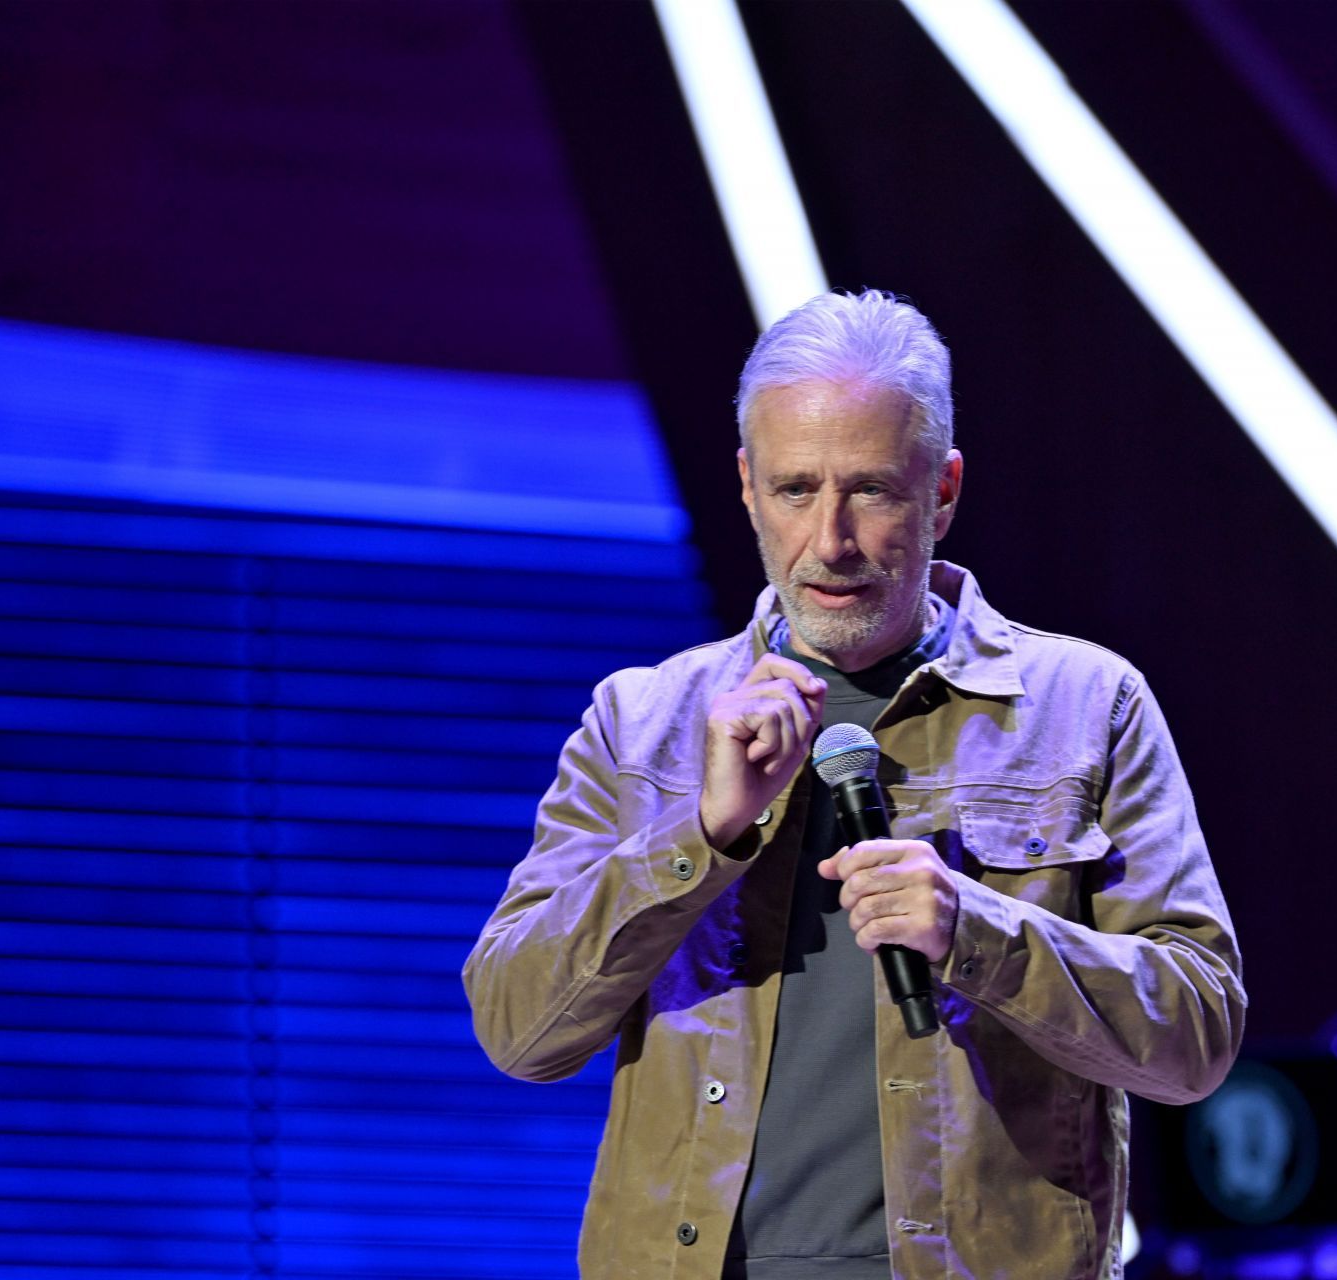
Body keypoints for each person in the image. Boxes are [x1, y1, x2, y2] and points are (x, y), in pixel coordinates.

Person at [463, 290, 1244, 1280]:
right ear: (746, 486)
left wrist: (977, 930)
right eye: (795, 489)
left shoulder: (1087, 706)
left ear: (944, 490)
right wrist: (701, 833)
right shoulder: (642, 720)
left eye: (870, 489)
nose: (828, 539)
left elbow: (1197, 1034)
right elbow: (517, 1025)